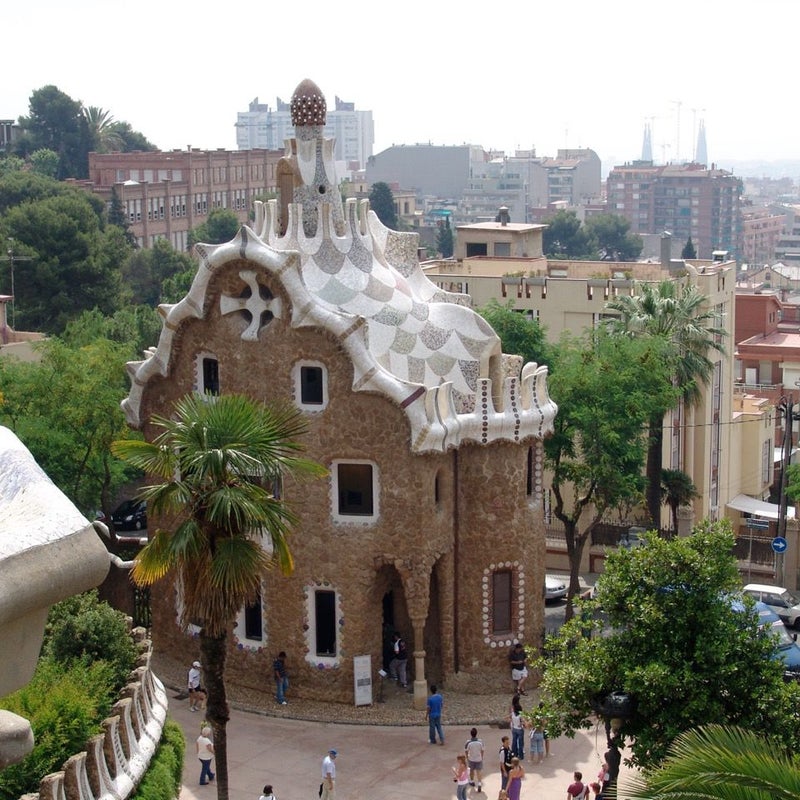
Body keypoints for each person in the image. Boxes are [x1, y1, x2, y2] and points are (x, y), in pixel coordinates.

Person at [465, 727, 485, 792]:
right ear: (476, 733)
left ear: (471, 734)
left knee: (471, 771)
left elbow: (466, 751)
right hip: (478, 759)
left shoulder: (468, 742)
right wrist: (481, 757)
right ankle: (479, 783)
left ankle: (472, 781)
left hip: (471, 759)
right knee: (478, 771)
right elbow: (482, 750)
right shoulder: (480, 741)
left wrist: (467, 758)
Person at [509, 695, 525, 761]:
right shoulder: (519, 710)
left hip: (514, 727)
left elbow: (510, 716)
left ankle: (514, 754)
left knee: (514, 741)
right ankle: (520, 755)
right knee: (520, 742)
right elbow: (522, 719)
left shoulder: (512, 710)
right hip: (519, 728)